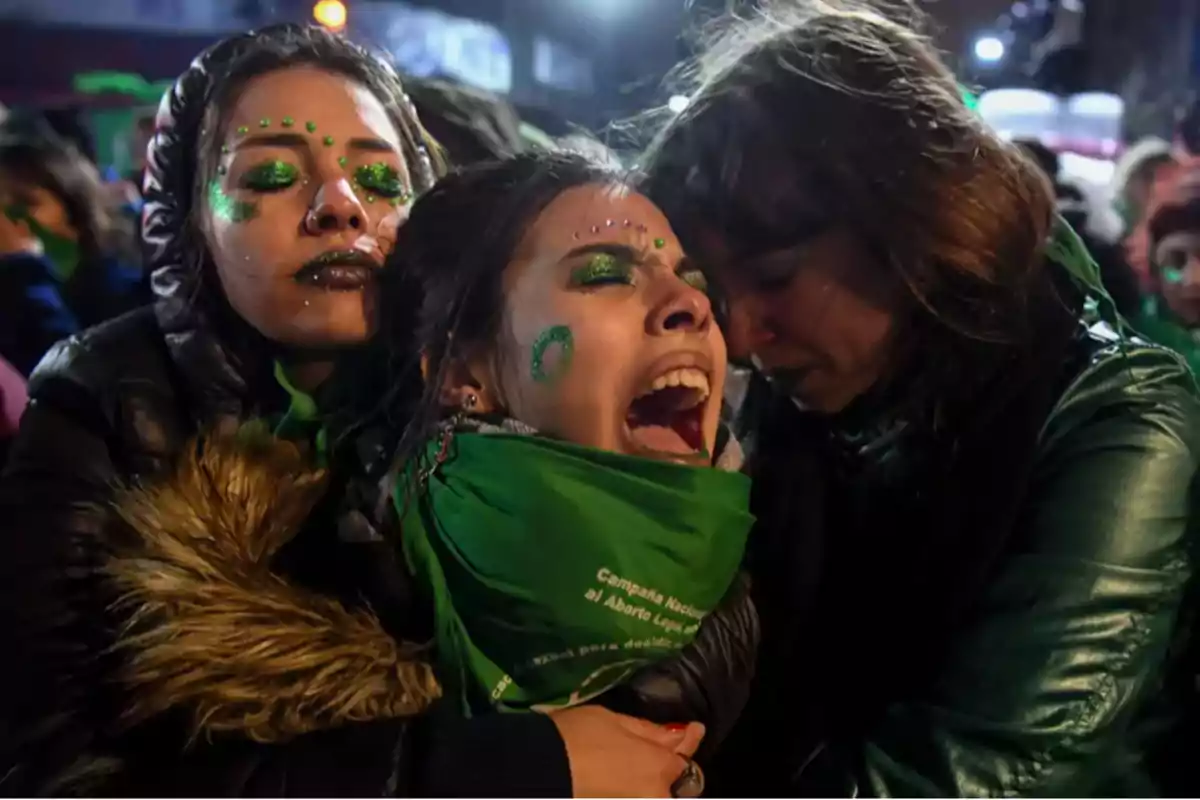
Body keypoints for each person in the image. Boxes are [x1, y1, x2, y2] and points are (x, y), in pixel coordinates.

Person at [65, 149, 755, 796]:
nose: (690, 304)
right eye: (605, 274)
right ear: (462, 372)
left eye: (693, 283)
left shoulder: (765, 589)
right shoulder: (290, 607)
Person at [640, 1, 1200, 795]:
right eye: (712, 294)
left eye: (774, 279)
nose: (738, 338)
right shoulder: (805, 398)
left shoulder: (1114, 417)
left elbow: (988, 769)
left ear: (912, 224)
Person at [0, 23, 446, 795]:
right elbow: (56, 766)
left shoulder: (496, 395)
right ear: (190, 226)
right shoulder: (101, 398)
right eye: (271, 175)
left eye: (379, 182)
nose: (340, 206)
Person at [0, 119, 147, 374]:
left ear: (73, 207)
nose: (7, 220)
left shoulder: (122, 291)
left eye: (26, 203)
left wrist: (24, 270)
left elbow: (71, 379)